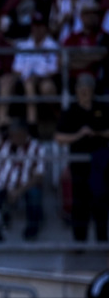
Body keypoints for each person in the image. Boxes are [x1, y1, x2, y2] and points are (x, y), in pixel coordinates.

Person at [55, 73, 109, 242]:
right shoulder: (70, 112)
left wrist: (98, 133)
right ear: (77, 91)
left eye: (88, 89)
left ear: (93, 90)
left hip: (100, 165)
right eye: (82, 89)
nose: (85, 93)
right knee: (79, 204)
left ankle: (101, 241)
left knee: (100, 202)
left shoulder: (103, 108)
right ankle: (79, 242)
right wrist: (79, 135)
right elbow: (59, 138)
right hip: (78, 165)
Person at [0, 118, 45, 241]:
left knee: (35, 193)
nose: (13, 138)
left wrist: (18, 191)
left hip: (23, 187)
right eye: (11, 135)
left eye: (16, 135)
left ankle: (31, 231)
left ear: (24, 134)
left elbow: (39, 176)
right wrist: (0, 122)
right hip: (1, 186)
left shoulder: (37, 148)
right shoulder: (4, 142)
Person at [0, 11, 58, 126]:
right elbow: (16, 68)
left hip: (44, 78)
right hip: (23, 77)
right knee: (6, 80)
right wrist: (23, 75)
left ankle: (32, 124)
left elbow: (53, 70)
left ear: (45, 28)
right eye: (35, 26)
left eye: (40, 26)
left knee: (30, 83)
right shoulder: (24, 45)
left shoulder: (53, 46)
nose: (37, 29)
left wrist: (37, 75)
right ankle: (2, 122)